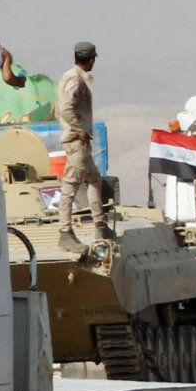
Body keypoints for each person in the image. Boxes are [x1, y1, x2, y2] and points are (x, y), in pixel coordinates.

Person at [55, 42, 110, 246]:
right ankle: (65, 232)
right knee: (71, 184)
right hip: (76, 140)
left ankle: (100, 225)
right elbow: (65, 108)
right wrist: (79, 131)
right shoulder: (74, 78)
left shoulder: (73, 76)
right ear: (91, 59)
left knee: (94, 179)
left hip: (78, 139)